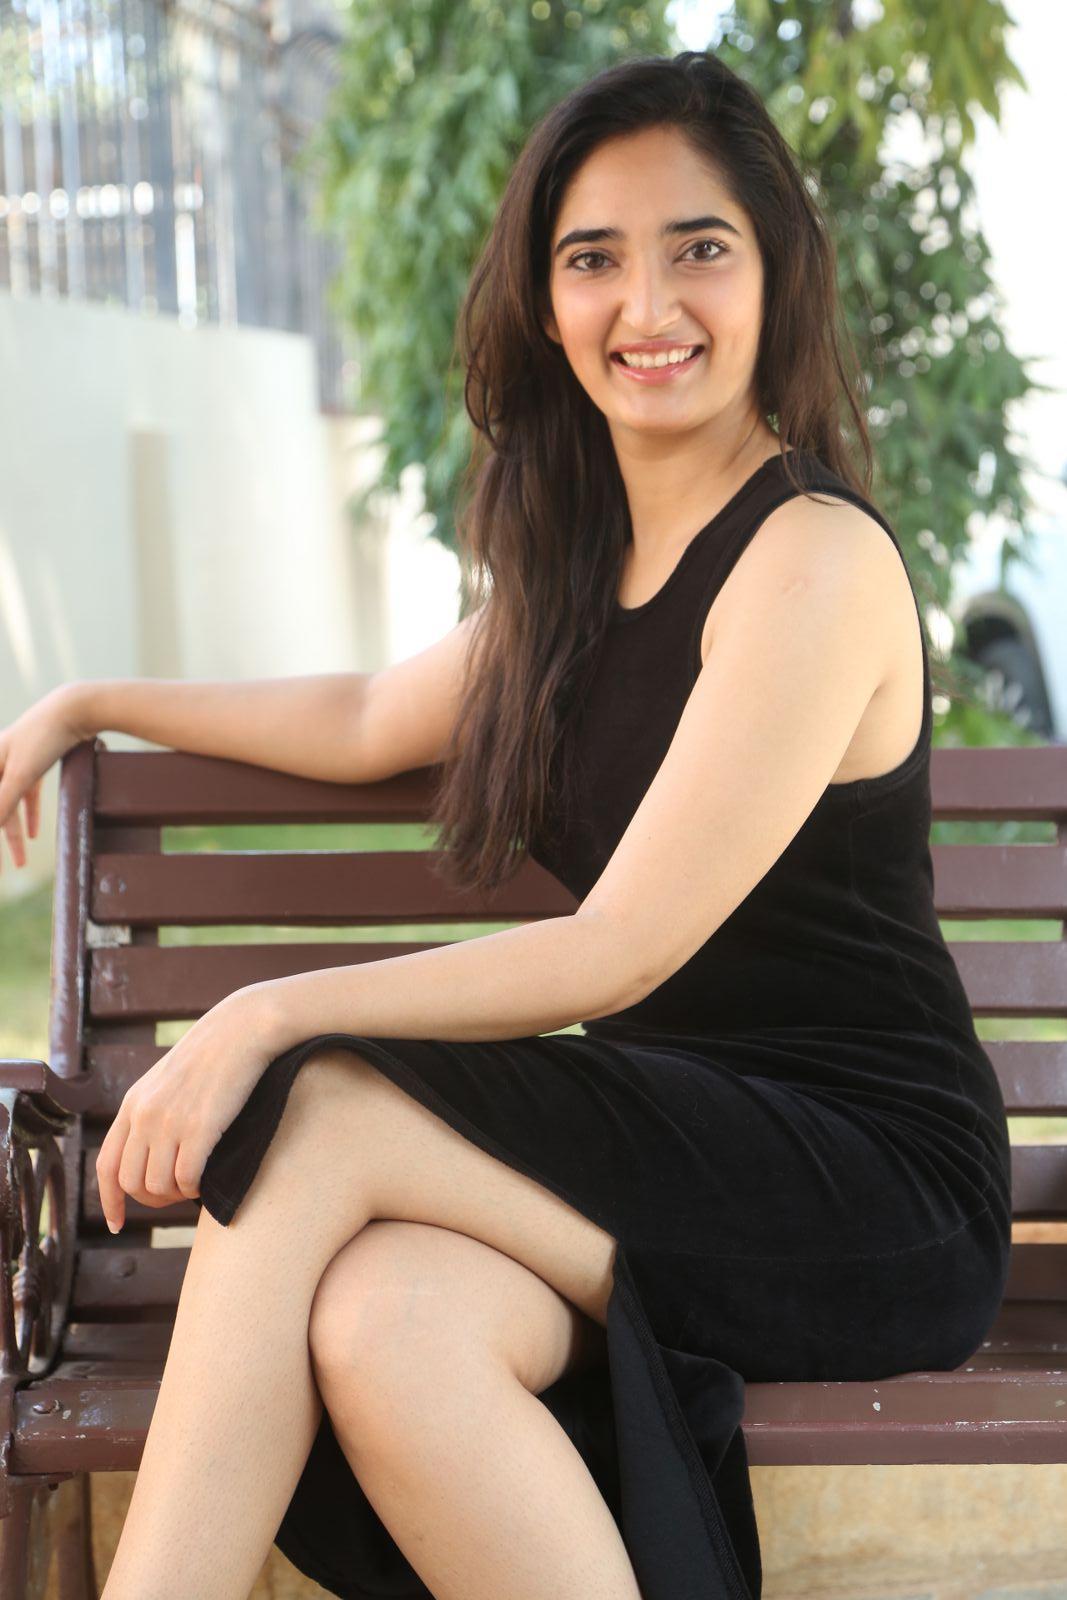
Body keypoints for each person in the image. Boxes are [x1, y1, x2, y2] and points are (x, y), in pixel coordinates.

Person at [0, 49, 1012, 1600]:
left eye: (699, 248)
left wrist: (264, 1012)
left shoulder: (811, 561)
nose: (647, 304)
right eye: (594, 259)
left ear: (774, 277)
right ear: (546, 306)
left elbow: (621, 949)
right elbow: (362, 716)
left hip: (862, 1184)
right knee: (385, 1318)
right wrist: (88, 699)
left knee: (321, 1109)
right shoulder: (576, 585)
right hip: (670, 1151)